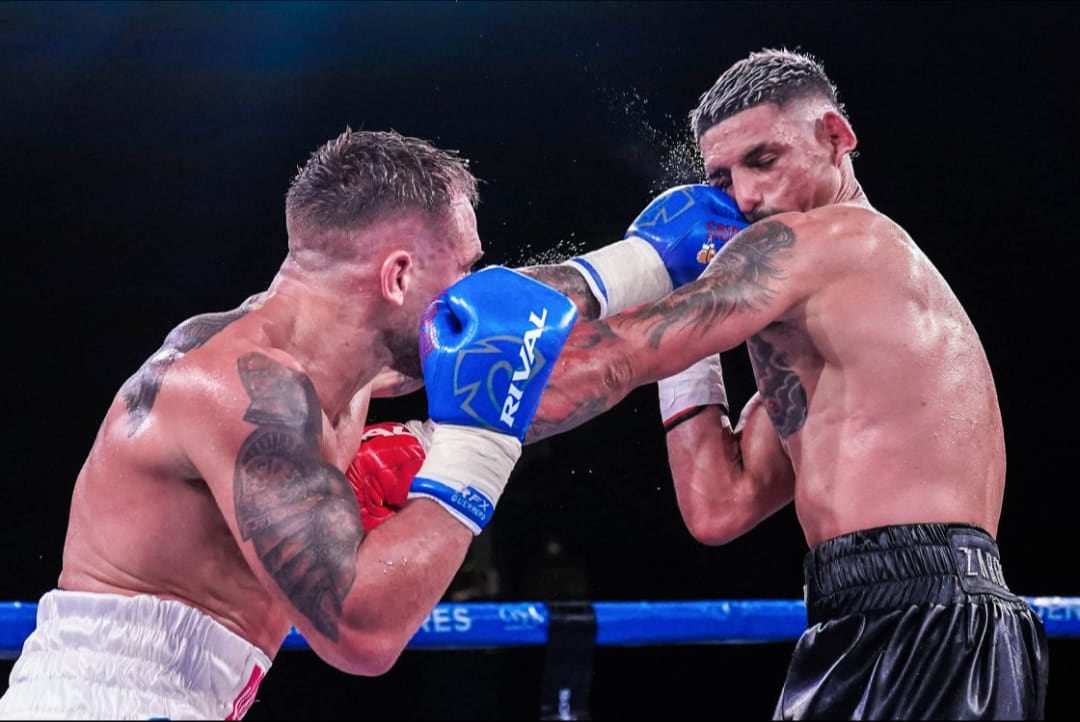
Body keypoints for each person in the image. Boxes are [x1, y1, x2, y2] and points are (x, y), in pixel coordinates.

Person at [525, 48, 1052, 719]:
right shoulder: (838, 327)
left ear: (836, 137)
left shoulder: (823, 241)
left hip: (919, 623)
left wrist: (449, 431)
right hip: (902, 618)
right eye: (721, 175)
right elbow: (720, 505)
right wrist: (693, 311)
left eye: (764, 159)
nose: (744, 196)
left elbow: (612, 359)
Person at [0, 128, 578, 719]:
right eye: (462, 270)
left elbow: (553, 356)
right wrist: (479, 444)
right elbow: (363, 632)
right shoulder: (232, 386)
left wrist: (648, 264)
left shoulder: (341, 377)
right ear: (399, 276)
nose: (468, 302)